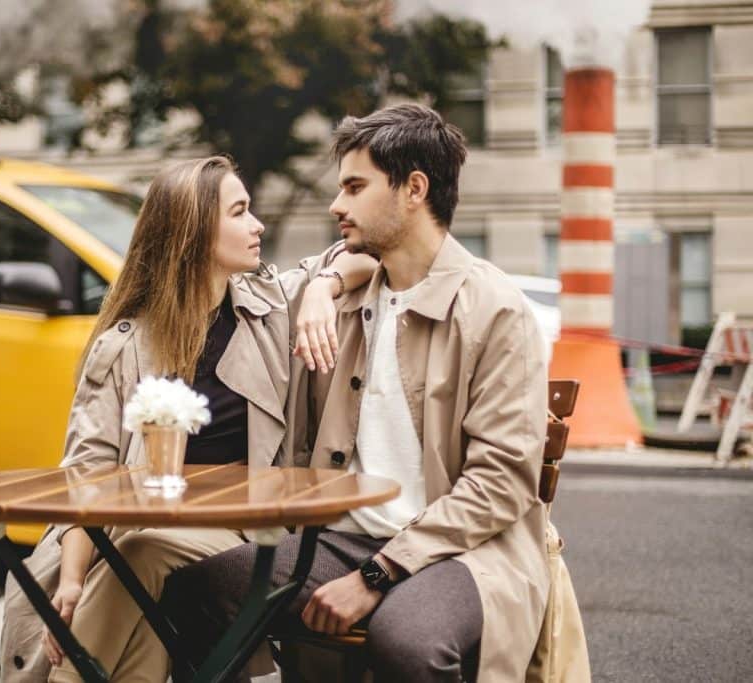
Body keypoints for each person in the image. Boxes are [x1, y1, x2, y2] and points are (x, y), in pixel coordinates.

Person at [161, 104, 550, 683]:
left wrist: (378, 575)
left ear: (414, 188)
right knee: (196, 592)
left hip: (465, 549)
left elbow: (500, 483)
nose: (336, 205)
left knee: (406, 640)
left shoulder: (495, 310)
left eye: (354, 186)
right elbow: (246, 285)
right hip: (342, 539)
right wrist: (324, 282)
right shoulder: (343, 300)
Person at [0, 155, 377, 683]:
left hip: (247, 524)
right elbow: (88, 471)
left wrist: (322, 287)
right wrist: (71, 579)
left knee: (143, 553)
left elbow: (364, 259)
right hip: (137, 528)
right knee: (143, 606)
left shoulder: (270, 306)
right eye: (240, 212)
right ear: (194, 233)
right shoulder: (124, 345)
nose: (257, 224)